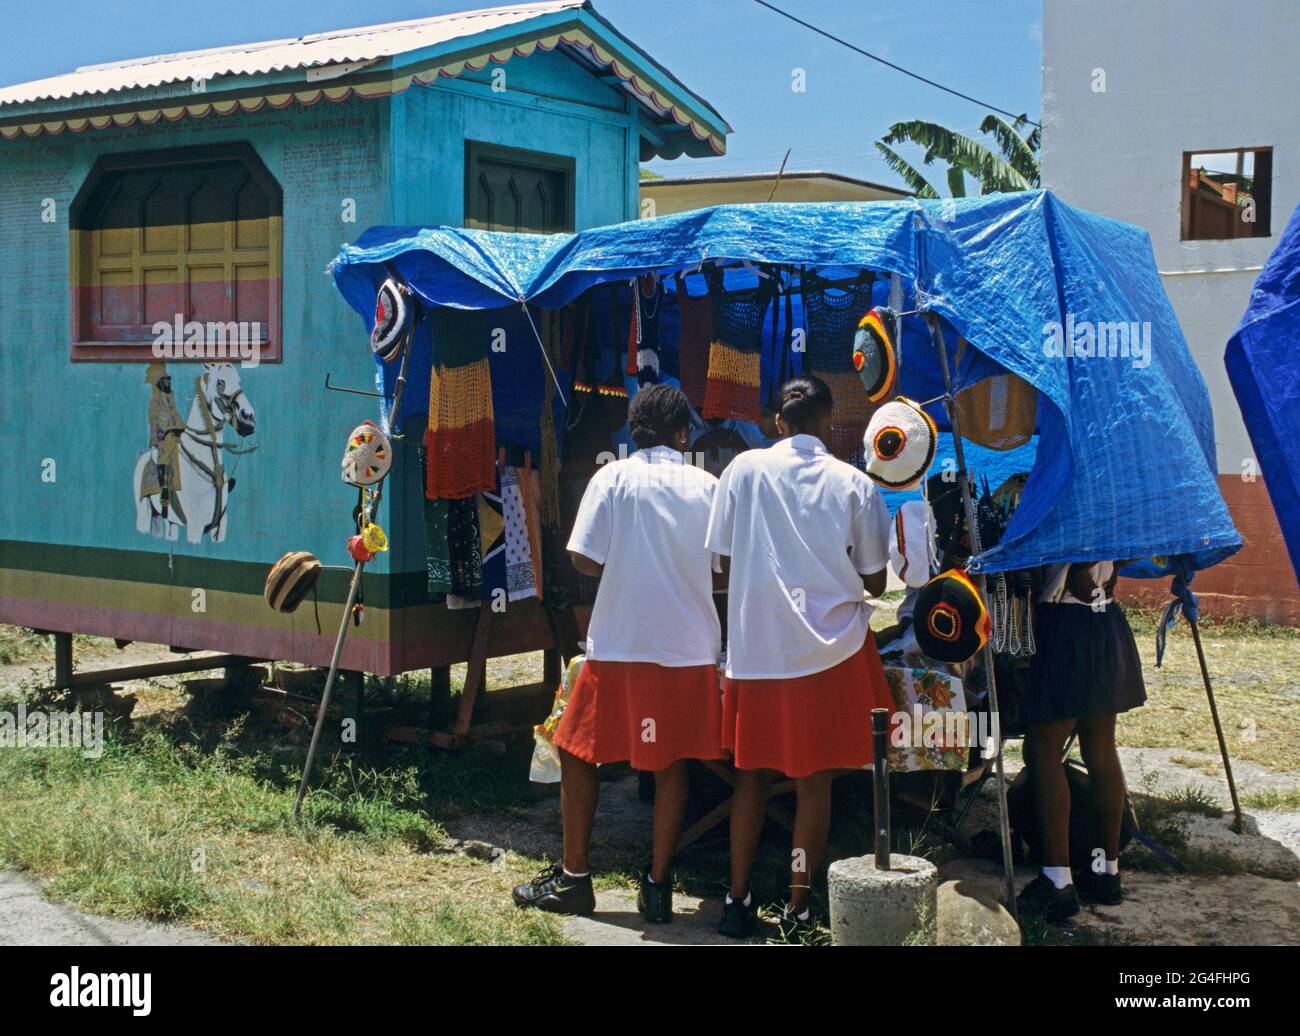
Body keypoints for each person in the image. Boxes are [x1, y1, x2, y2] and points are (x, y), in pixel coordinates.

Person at [512, 385, 724, 923]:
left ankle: (574, 878)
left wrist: (629, 568)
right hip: (689, 647)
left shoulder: (612, 477)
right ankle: (657, 885)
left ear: (635, 431)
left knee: (579, 750)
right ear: (682, 435)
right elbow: (722, 566)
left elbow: (582, 557)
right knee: (672, 760)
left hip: (620, 642)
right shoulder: (708, 485)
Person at [705, 375, 893, 937]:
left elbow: (722, 562)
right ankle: (799, 905)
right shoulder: (854, 483)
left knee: (751, 780)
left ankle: (738, 901)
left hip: (759, 649)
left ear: (778, 423)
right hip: (831, 654)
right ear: (830, 423)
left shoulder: (742, 470)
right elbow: (877, 582)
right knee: (816, 785)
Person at [1016, 561, 1146, 921]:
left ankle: (1057, 882)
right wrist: (1108, 570)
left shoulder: (1069, 504)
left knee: (1042, 752)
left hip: (1069, 625)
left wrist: (1081, 568)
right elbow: (1121, 557)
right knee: (1100, 749)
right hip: (1104, 619)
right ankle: (1104, 871)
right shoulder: (1116, 504)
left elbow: (1073, 573)